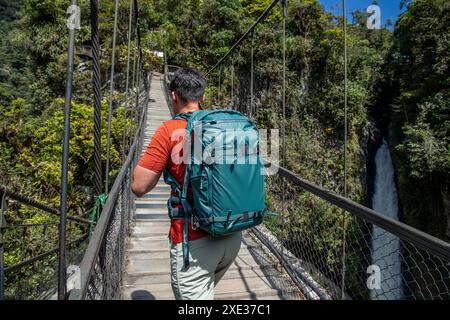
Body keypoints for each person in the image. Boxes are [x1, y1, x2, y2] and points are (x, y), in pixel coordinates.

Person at [131, 68, 242, 300]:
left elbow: (139, 187)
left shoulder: (168, 130)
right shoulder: (224, 125)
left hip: (194, 241)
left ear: (173, 96)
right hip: (233, 235)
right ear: (203, 97)